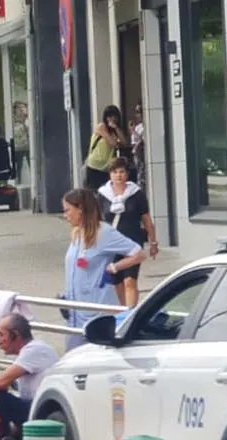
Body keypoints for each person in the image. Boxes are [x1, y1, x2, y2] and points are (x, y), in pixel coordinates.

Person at [62, 188, 145, 351]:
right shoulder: (77, 233)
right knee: (72, 358)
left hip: (97, 309)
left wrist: (114, 267)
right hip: (75, 311)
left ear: (81, 209)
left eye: (67, 210)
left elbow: (138, 253)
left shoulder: (104, 232)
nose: (65, 215)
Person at [97, 158, 159, 307]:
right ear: (110, 174)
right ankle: (123, 312)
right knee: (117, 282)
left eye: (122, 171)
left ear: (127, 174)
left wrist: (153, 242)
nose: (118, 175)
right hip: (112, 243)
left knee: (130, 280)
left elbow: (146, 219)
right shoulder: (102, 194)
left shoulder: (136, 193)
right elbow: (98, 220)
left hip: (132, 242)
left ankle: (131, 312)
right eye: (115, 172)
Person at [0, 314, 60, 437]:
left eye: (1, 335)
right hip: (38, 405)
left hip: (42, 409)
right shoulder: (33, 349)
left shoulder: (33, 350)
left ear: (16, 335)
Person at [84, 105, 126, 190]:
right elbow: (113, 143)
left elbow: (124, 143)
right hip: (95, 165)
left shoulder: (114, 131)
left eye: (114, 116)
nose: (112, 119)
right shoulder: (101, 127)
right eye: (109, 117)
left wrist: (116, 128)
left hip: (106, 167)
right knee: (94, 191)